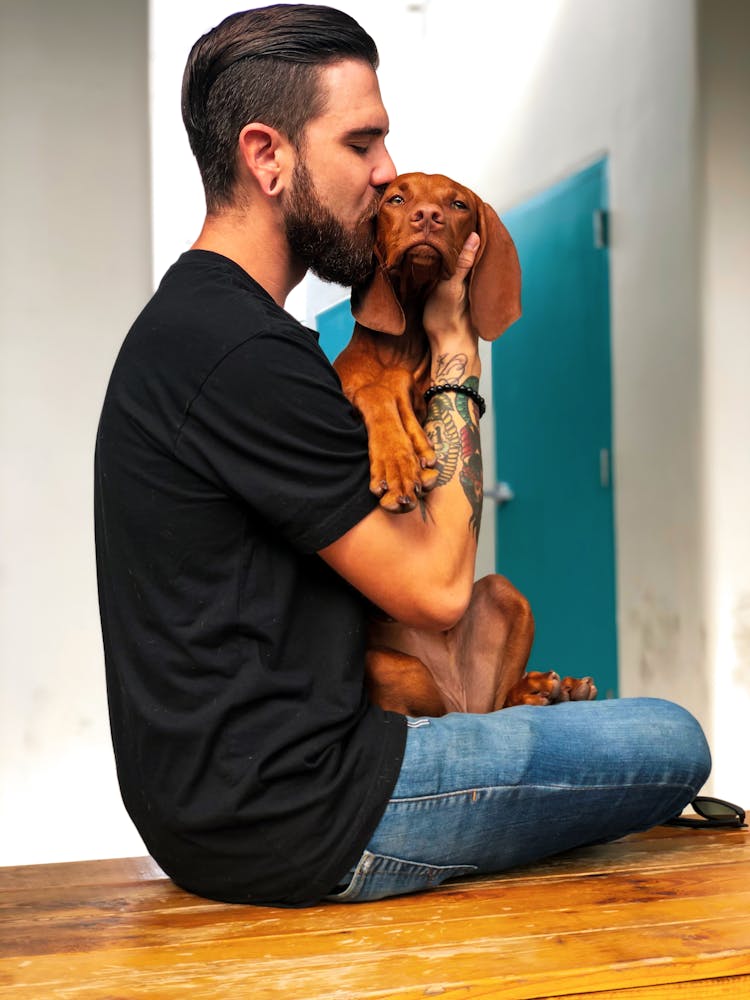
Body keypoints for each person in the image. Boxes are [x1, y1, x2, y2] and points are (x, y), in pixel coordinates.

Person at [95, 4, 711, 907]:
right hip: (307, 809)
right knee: (669, 738)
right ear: (269, 158)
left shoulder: (210, 327)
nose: (387, 172)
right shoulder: (241, 352)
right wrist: (455, 349)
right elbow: (435, 590)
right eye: (362, 143)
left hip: (240, 801)